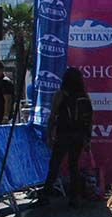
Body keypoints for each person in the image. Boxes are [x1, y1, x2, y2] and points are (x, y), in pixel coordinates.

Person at [40, 67, 93, 206]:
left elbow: (52, 116)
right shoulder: (84, 96)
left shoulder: (61, 94)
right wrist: (88, 139)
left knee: (55, 164)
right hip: (79, 135)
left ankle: (45, 195)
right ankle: (74, 197)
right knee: (73, 164)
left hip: (63, 133)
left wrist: (49, 135)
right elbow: (89, 119)